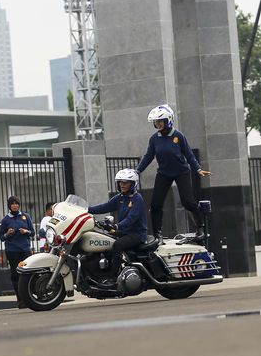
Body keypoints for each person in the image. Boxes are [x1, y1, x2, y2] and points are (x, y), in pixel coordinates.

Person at [135, 104, 211, 239]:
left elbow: (189, 155)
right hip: (164, 173)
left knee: (187, 202)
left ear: (168, 120)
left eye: (160, 121)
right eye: (156, 122)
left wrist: (198, 169)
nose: (157, 124)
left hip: (182, 172)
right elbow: (148, 156)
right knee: (155, 205)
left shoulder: (178, 136)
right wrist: (137, 171)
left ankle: (200, 228)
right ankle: (157, 234)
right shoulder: (154, 139)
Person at [87, 169, 147, 269]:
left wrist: (116, 226)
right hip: (124, 232)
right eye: (120, 182)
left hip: (137, 234)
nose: (121, 185)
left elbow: (131, 219)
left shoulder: (137, 198)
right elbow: (105, 207)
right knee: (103, 240)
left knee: (117, 245)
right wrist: (85, 210)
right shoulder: (120, 197)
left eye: (125, 182)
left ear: (133, 184)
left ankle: (114, 276)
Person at [0, 196, 34, 309]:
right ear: (9, 206)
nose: (15, 205)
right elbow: (2, 237)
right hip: (12, 250)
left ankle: (31, 297)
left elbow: (33, 232)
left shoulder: (25, 216)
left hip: (25, 249)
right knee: (16, 275)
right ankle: (20, 300)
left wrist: (26, 231)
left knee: (28, 273)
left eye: (16, 203)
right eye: (12, 204)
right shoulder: (5, 220)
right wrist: (7, 234)